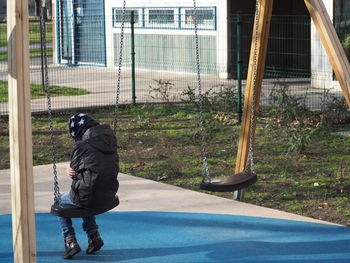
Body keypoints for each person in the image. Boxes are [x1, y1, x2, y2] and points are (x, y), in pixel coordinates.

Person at [57, 113, 119, 259]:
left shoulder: (82, 145)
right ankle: (94, 237)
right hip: (109, 193)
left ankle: (70, 241)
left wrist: (68, 169)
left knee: (59, 202)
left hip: (90, 197)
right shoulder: (109, 140)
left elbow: (73, 172)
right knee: (87, 192)